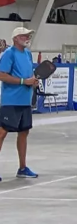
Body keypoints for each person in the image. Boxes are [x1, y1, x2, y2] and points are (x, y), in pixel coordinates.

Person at [0, 27, 39, 181]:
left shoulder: (28, 54)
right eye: (24, 35)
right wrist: (23, 81)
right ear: (15, 38)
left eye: (28, 35)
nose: (27, 37)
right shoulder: (9, 54)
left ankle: (22, 168)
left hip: (25, 101)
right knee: (2, 133)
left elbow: (29, 74)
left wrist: (33, 80)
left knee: (24, 132)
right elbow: (1, 75)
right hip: (11, 101)